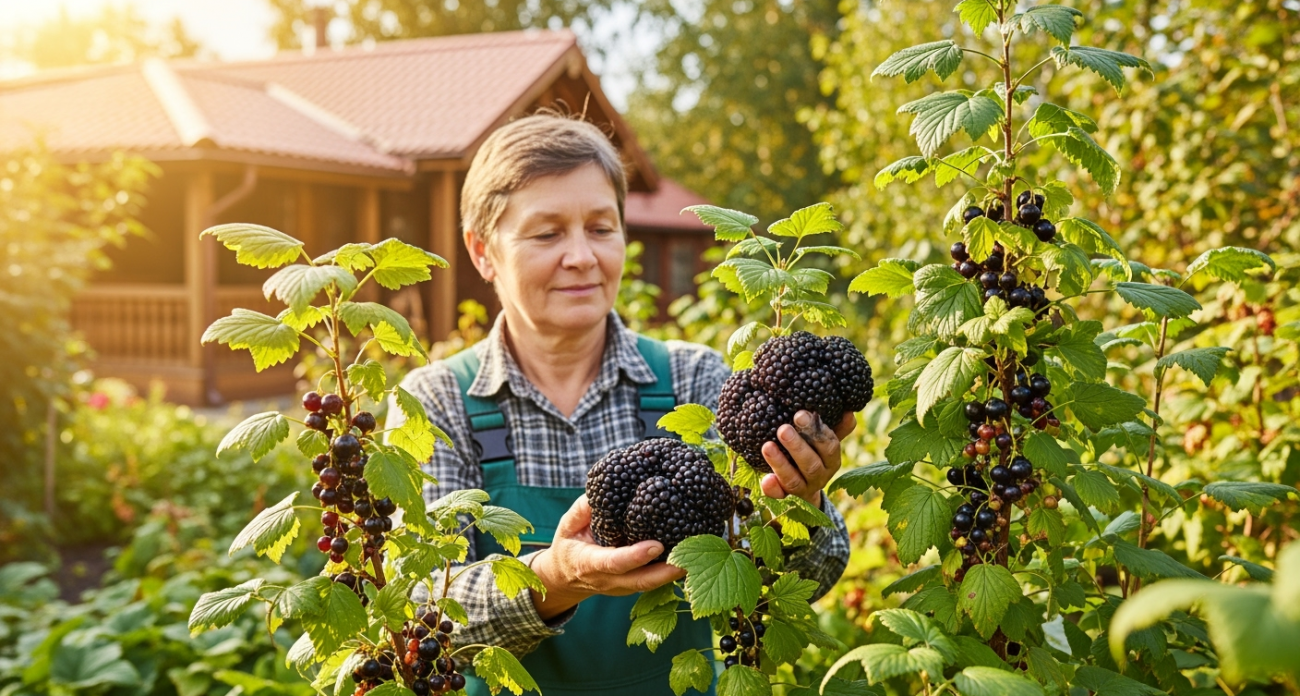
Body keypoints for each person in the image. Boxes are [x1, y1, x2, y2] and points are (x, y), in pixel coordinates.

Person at [389, 113, 853, 695]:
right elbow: (420, 609)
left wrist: (800, 500)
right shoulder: (438, 403)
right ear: (483, 252)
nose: (582, 256)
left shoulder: (693, 379)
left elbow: (821, 571)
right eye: (547, 233)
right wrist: (555, 578)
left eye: (601, 228)